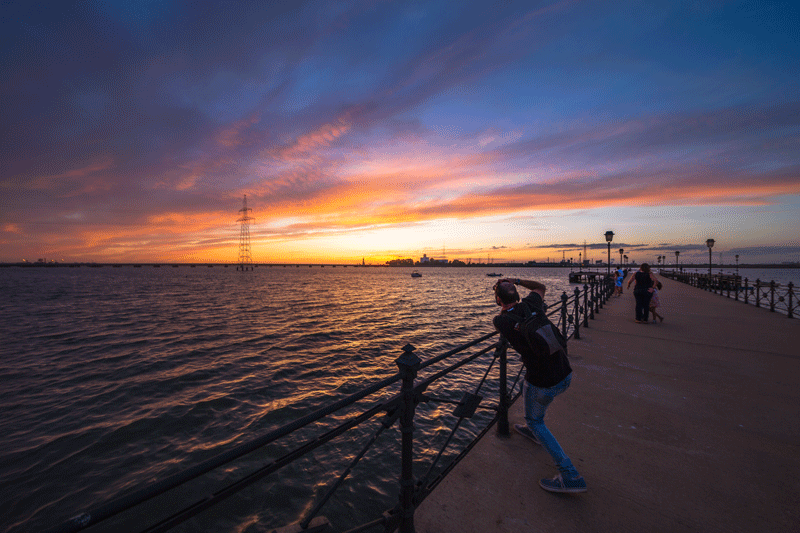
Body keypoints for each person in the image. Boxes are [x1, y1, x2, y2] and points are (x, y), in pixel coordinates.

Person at [492, 278, 587, 493]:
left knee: (535, 417)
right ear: (517, 294)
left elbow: (503, 319)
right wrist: (515, 280)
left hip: (543, 380)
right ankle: (533, 430)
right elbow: (540, 288)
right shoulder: (532, 303)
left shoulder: (501, 321)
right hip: (565, 372)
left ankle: (570, 475)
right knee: (529, 394)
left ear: (498, 299)